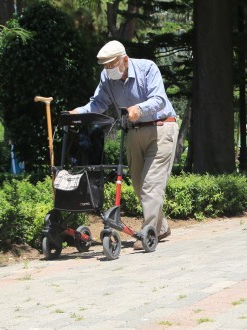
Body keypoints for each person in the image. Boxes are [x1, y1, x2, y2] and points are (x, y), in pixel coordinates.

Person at [70, 40, 178, 251]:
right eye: (105, 66)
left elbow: (159, 99)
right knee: (139, 184)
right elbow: (98, 103)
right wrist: (79, 112)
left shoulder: (148, 68)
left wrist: (140, 107)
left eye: (112, 64)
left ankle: (148, 232)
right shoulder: (106, 77)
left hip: (161, 128)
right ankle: (161, 227)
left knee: (151, 185)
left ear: (125, 60)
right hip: (133, 131)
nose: (108, 69)